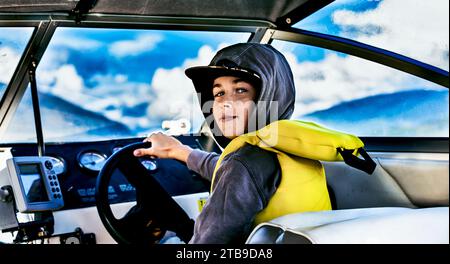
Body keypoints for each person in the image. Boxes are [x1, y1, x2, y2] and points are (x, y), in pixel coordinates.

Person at [133, 43, 329, 243]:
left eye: (240, 90)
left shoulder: (243, 163)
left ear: (268, 95)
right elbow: (226, 169)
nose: (225, 102)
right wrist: (179, 151)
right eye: (219, 93)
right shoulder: (286, 146)